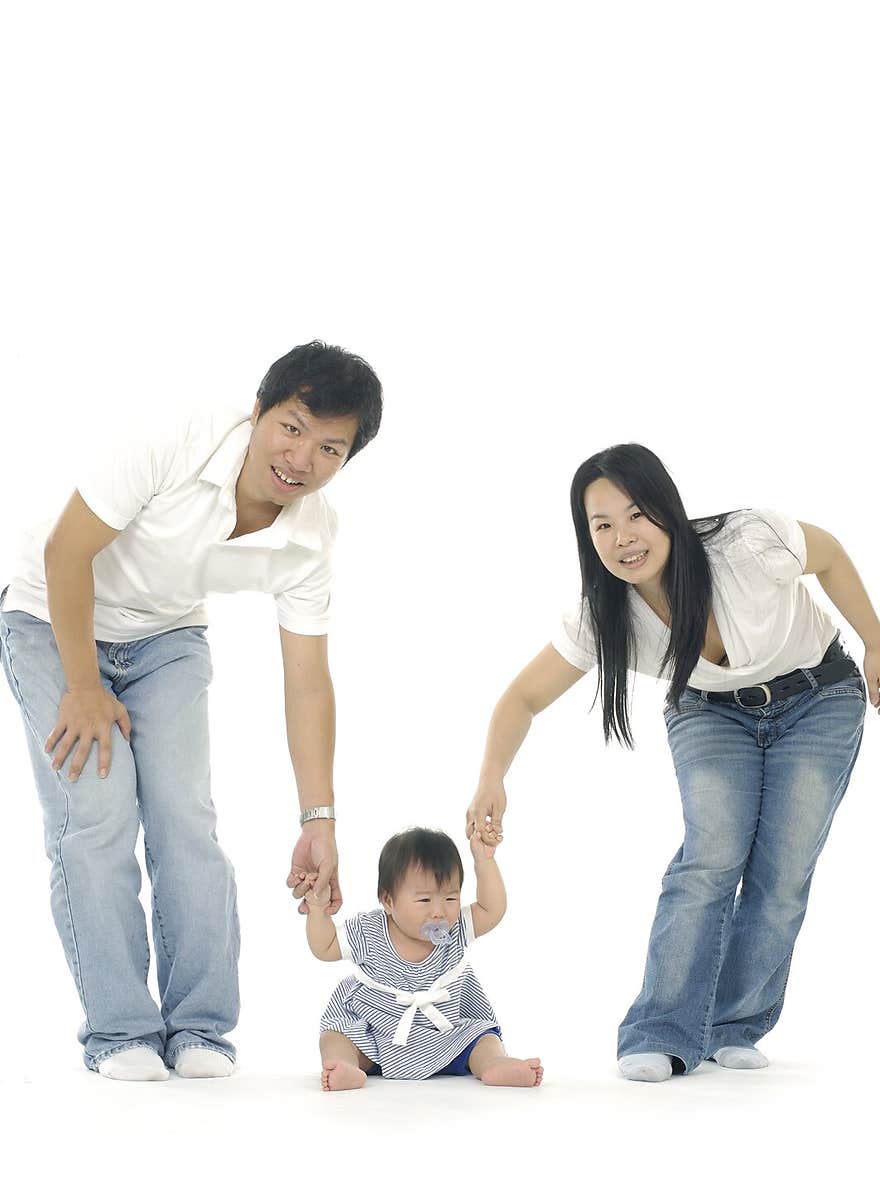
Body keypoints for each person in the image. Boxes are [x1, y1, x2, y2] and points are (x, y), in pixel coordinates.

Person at [0, 340, 382, 1081]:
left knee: (186, 819)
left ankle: (201, 1026)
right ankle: (119, 1032)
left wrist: (319, 820)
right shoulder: (175, 440)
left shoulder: (311, 536)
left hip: (166, 637)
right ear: (259, 411)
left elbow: (307, 681)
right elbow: (66, 551)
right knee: (97, 818)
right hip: (52, 618)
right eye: (293, 426)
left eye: (330, 447)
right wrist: (84, 685)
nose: (302, 458)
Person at [468, 444, 878, 1082]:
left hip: (818, 696)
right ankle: (661, 1029)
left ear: (667, 509)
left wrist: (876, 641)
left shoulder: (748, 540)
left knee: (784, 867)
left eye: (636, 515)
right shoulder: (603, 613)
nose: (622, 538)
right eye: (601, 525)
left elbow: (828, 555)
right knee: (712, 855)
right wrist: (492, 776)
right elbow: (522, 697)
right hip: (710, 711)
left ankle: (736, 1024)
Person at [304, 826, 543, 1089]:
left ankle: (494, 1063)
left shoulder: (456, 930)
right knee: (337, 1035)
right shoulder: (369, 931)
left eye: (451, 897)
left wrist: (484, 861)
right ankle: (346, 1066)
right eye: (425, 900)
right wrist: (317, 910)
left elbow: (492, 908)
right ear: (388, 900)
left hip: (445, 1035)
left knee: (482, 1037)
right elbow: (324, 946)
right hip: (376, 1033)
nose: (439, 911)